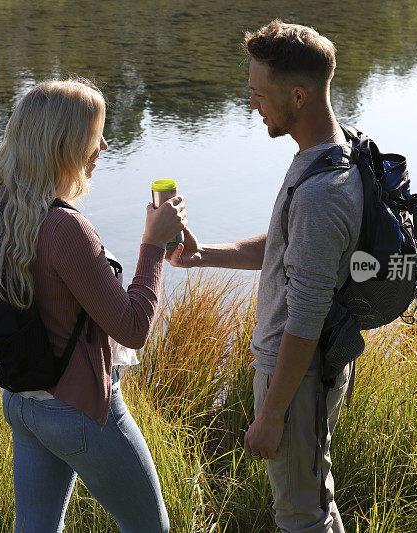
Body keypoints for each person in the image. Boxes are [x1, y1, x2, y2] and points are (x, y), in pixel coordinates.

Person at [165, 20, 362, 533]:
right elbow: (286, 249)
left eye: (258, 93)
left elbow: (306, 314)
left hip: (295, 376)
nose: (252, 104)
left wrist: (272, 413)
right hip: (302, 375)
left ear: (298, 95)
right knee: (315, 501)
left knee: (300, 516)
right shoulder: (325, 156)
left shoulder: (322, 194)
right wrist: (202, 253)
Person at [0, 78, 184, 533]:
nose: (105, 146)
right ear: (65, 143)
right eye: (96, 135)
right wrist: (153, 243)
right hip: (79, 410)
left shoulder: (1, 210)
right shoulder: (66, 228)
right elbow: (132, 329)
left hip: (23, 403)